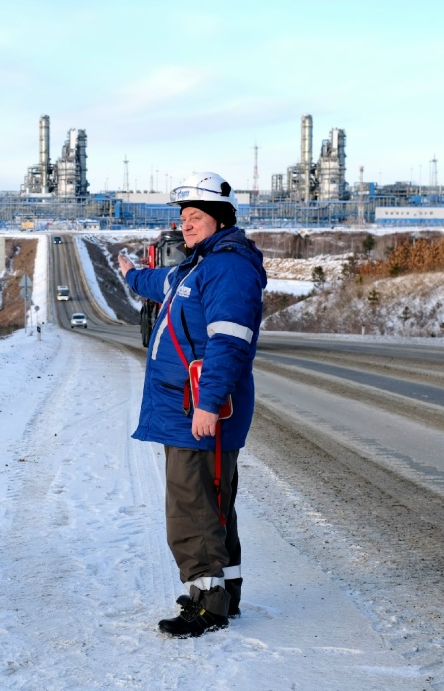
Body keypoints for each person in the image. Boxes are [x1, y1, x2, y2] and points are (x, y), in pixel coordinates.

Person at [118, 171, 266, 638]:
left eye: (196, 216)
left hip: (197, 411)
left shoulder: (228, 269)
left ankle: (206, 604)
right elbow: (159, 281)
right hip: (186, 409)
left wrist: (208, 402)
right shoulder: (195, 267)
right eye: (183, 217)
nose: (186, 224)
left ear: (220, 219)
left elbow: (229, 342)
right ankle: (225, 593)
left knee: (192, 507)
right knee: (213, 503)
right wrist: (129, 274)